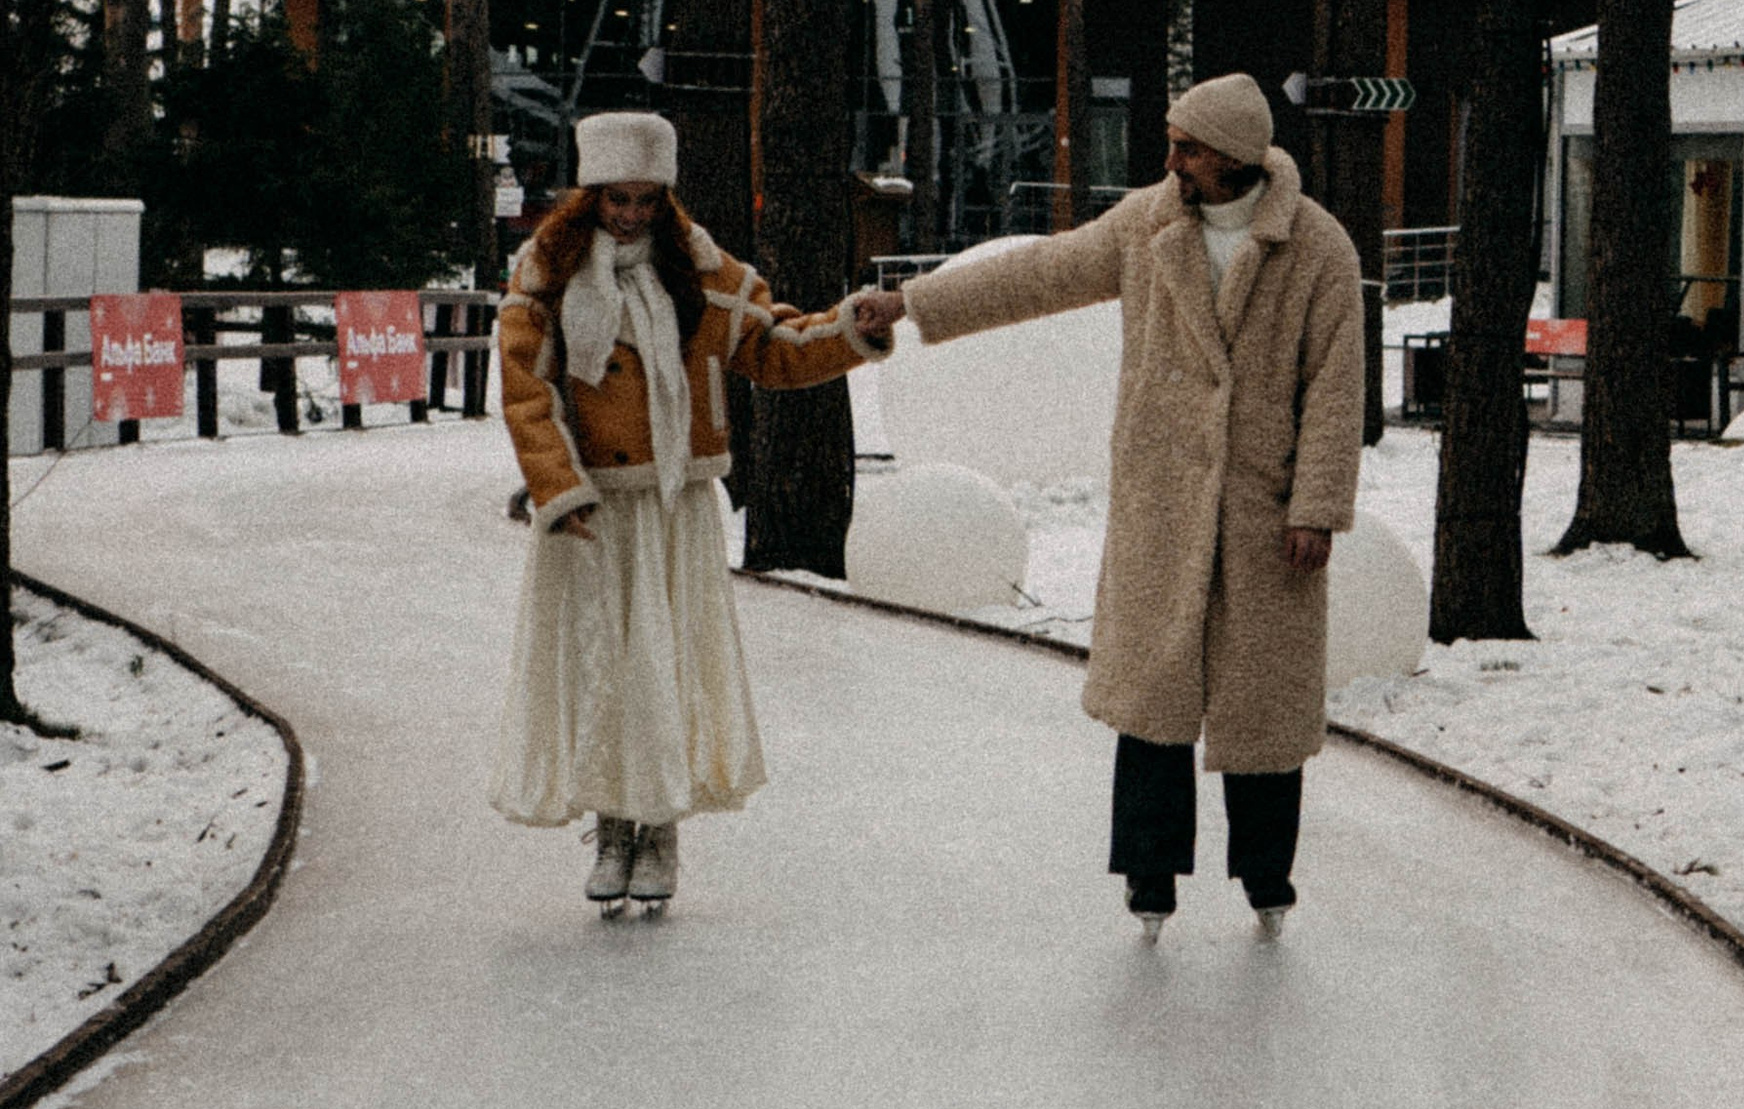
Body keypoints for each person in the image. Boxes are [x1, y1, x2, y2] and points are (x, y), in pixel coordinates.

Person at [854, 72, 1363, 939]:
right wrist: (913, 303)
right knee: (1153, 697)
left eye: (1188, 148)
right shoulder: (1150, 222)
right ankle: (1150, 875)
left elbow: (1336, 385)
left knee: (1262, 707)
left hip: (1263, 511)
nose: (1170, 161)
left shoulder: (1317, 249)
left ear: (1235, 157)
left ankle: (1267, 875)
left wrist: (1315, 506)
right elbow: (1043, 273)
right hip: (1163, 499)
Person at [492, 110, 878, 916]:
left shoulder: (703, 276)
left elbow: (779, 348)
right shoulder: (545, 277)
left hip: (674, 507)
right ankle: (611, 827)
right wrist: (558, 491)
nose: (630, 214)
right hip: (594, 510)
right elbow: (529, 395)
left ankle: (659, 828)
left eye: (646, 199)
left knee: (664, 669)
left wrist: (851, 330)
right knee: (604, 668)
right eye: (615, 198)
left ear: (666, 198)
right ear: (589, 194)